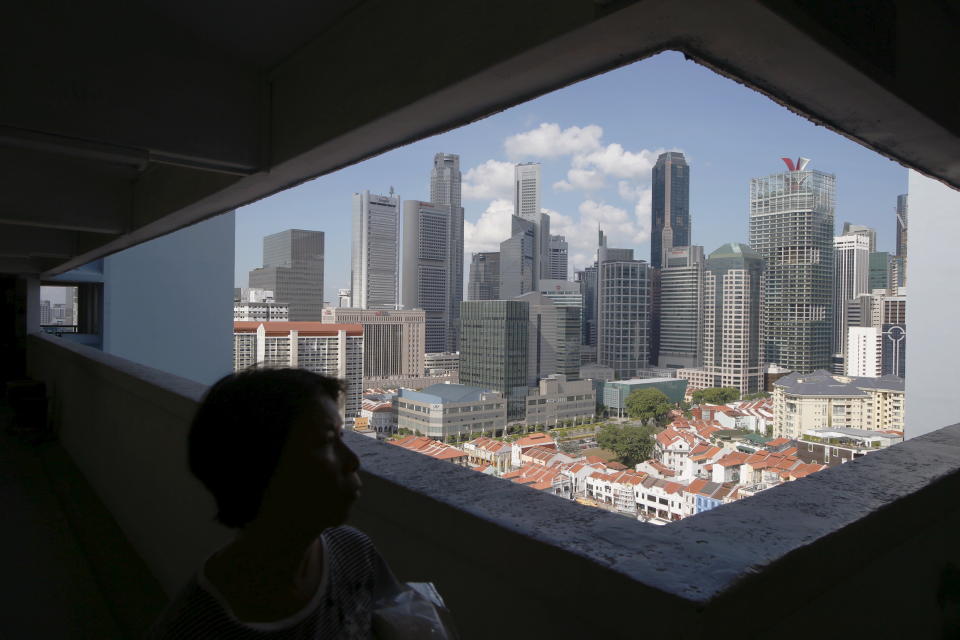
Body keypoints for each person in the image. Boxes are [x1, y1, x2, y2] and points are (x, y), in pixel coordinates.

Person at [146, 368, 396, 639]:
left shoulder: (354, 553)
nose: (352, 461)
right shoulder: (198, 628)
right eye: (326, 441)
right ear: (260, 468)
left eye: (341, 437)